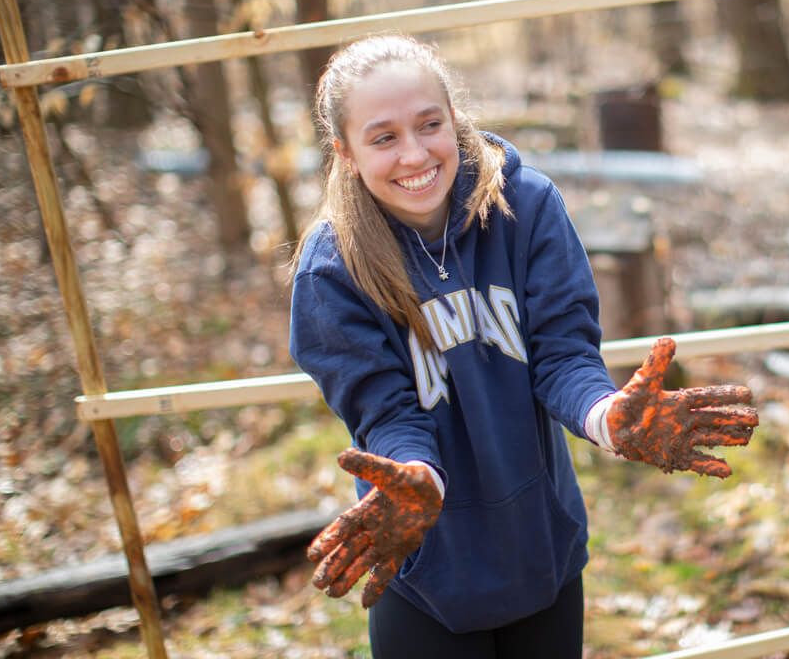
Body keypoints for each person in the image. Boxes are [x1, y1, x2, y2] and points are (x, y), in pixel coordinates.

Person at [287, 33, 759, 658]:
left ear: (453, 118)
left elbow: (563, 355)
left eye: (430, 124)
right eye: (383, 137)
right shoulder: (331, 271)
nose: (414, 153)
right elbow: (386, 412)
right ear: (345, 152)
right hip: (427, 567)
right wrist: (415, 481)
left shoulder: (525, 204)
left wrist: (611, 419)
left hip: (542, 550)